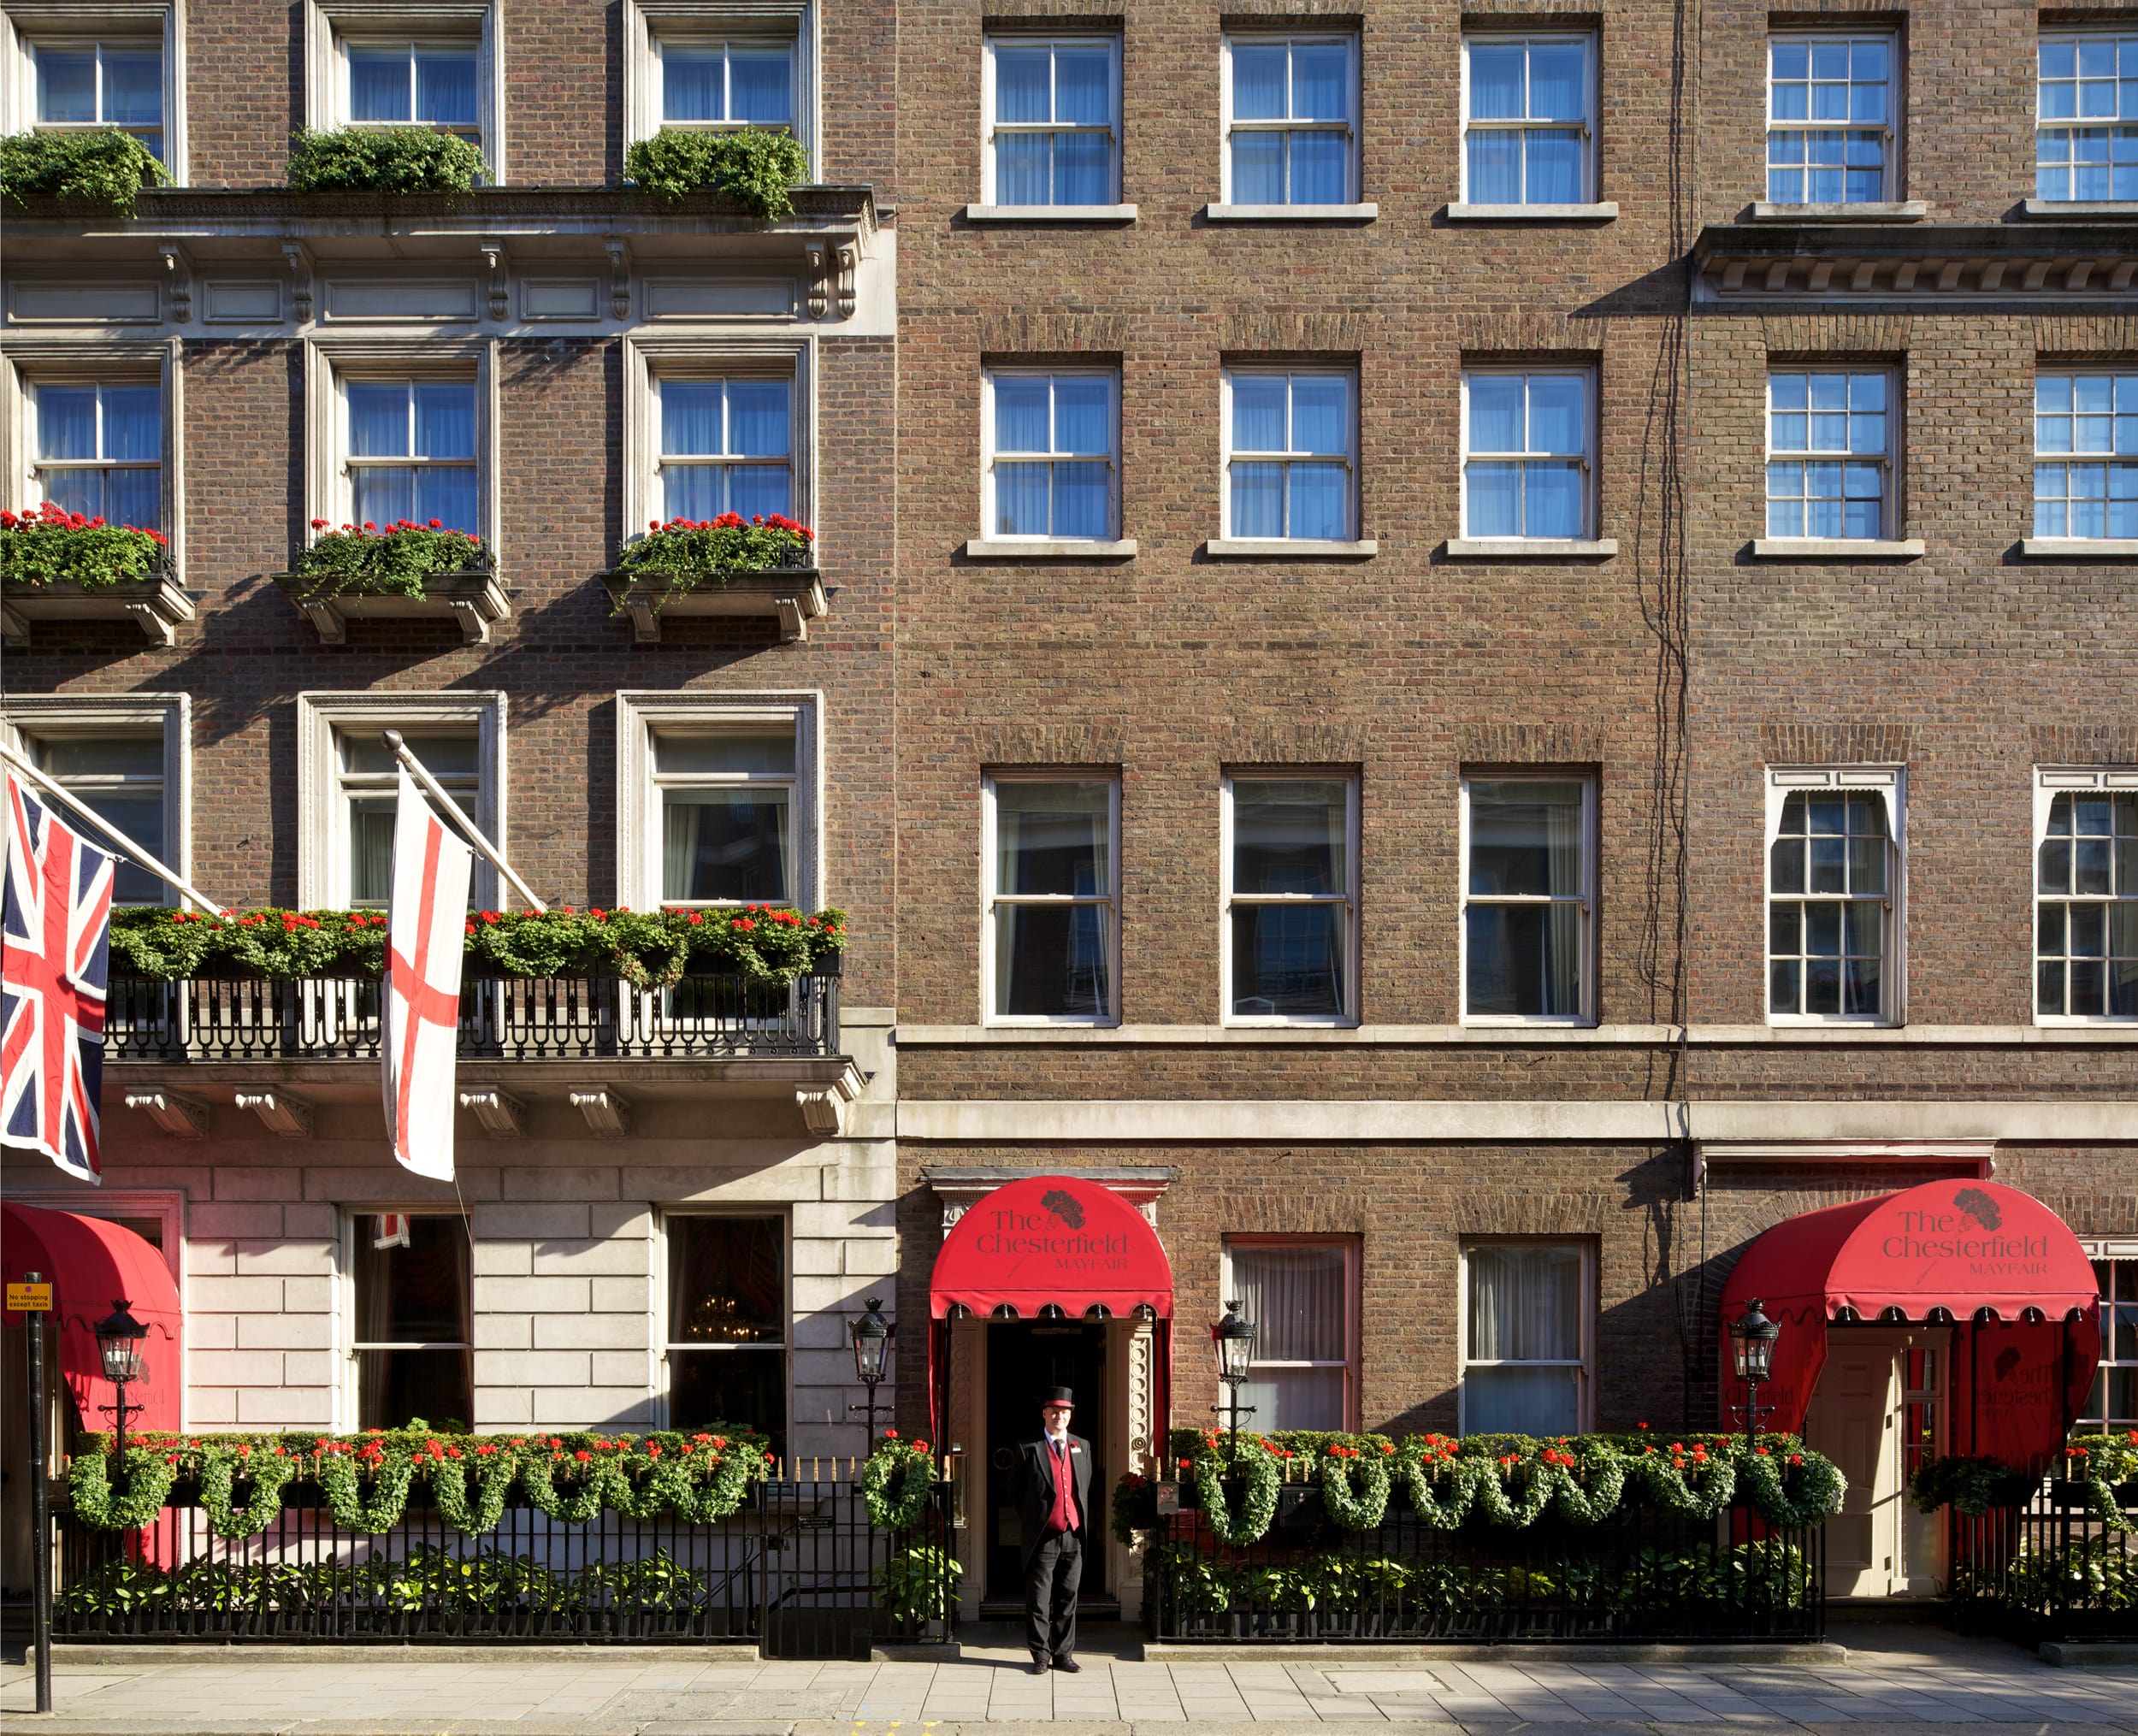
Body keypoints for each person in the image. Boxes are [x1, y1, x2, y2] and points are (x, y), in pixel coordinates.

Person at [1015, 1385, 1091, 1674]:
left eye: (1065, 1412)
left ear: (1070, 1415)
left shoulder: (1082, 1446)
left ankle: (1063, 1654)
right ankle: (1041, 1655)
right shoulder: (1028, 1448)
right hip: (1043, 1536)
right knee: (1039, 1599)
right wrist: (1037, 1519)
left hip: (1073, 1534)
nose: (1060, 1416)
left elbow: (1085, 1487)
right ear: (1044, 1414)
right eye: (1054, 1411)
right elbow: (1016, 1493)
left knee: (1068, 1597)